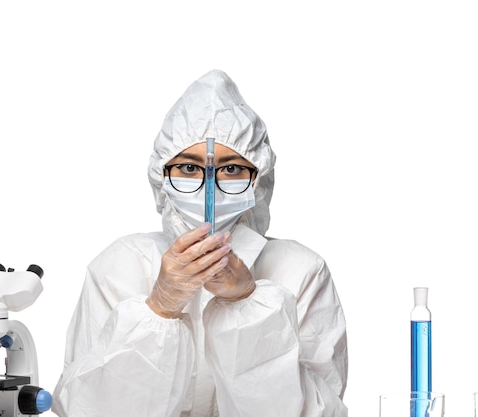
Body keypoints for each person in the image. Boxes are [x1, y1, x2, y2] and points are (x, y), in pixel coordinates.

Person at [52, 69, 348, 417]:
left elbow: (316, 412)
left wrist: (247, 304)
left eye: (232, 170)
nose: (210, 189)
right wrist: (158, 309)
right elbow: (90, 409)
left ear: (260, 179)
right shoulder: (121, 265)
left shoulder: (301, 270)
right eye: (190, 169)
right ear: (162, 177)